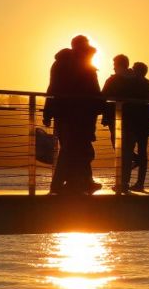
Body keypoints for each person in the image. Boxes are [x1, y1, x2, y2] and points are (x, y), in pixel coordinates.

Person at [43, 35, 104, 194]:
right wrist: (102, 108)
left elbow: (52, 89)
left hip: (64, 113)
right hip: (80, 115)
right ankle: (59, 184)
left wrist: (48, 112)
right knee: (74, 150)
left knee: (76, 149)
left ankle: (81, 182)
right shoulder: (83, 64)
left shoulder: (60, 64)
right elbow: (93, 91)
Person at [121, 62, 149, 192]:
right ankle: (140, 183)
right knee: (143, 153)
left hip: (131, 123)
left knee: (126, 152)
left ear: (136, 71)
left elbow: (123, 99)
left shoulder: (129, 84)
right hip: (145, 124)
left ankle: (124, 182)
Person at [101, 54, 132, 148]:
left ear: (120, 66)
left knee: (117, 143)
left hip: (114, 115)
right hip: (132, 117)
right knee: (127, 145)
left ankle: (131, 159)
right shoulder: (135, 79)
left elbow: (103, 95)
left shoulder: (112, 80)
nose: (113, 68)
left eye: (115, 65)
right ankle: (134, 159)